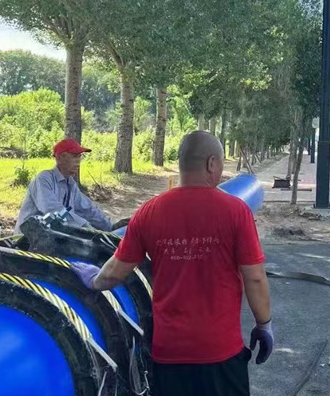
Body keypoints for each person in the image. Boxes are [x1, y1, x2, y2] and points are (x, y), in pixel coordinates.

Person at [71, 131, 272, 396]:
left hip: (170, 356)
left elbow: (115, 272)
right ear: (212, 163)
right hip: (220, 354)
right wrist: (264, 324)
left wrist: (93, 279)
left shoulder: (148, 212)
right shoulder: (236, 211)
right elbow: (255, 277)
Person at [14, 138, 115, 234]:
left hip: (49, 237)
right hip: (26, 239)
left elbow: (87, 209)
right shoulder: (44, 179)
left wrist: (110, 227)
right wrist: (84, 226)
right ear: (59, 158)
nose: (78, 161)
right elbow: (53, 210)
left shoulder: (70, 184)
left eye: (80, 156)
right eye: (74, 156)